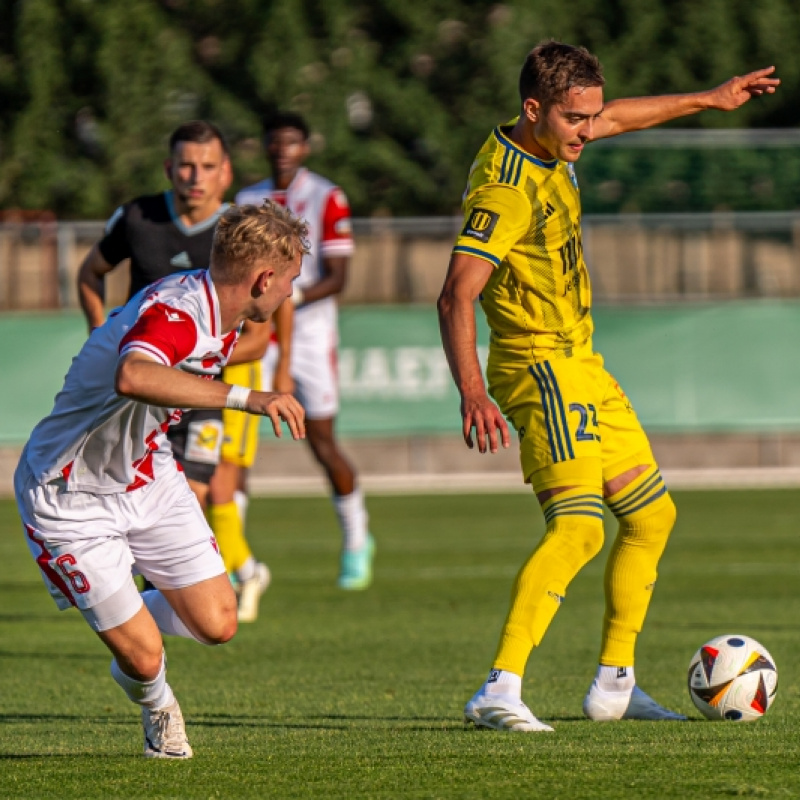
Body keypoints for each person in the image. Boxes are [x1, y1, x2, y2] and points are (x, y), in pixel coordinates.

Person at [437, 40, 779, 732]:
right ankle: (498, 690)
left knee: (653, 516)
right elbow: (455, 296)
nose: (589, 131)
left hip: (582, 362)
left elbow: (619, 117)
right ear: (534, 109)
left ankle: (615, 686)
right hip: (539, 367)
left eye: (591, 115)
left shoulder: (555, 141)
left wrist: (710, 98)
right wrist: (472, 392)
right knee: (579, 528)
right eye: (575, 119)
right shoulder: (506, 189)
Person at [15, 202, 308, 758]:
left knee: (220, 621)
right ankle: (158, 704)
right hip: (67, 495)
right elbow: (132, 374)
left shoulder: (222, 308)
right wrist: (250, 398)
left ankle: (123, 620)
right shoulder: (179, 312)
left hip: (147, 477)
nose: (289, 293)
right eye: (289, 281)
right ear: (264, 279)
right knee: (146, 659)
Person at [236, 111, 374, 590]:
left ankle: (357, 540)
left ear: (305, 148)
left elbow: (338, 278)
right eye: (275, 142)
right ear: (266, 146)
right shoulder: (246, 200)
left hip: (312, 337)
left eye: (292, 143)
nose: (282, 151)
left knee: (321, 442)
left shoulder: (326, 196)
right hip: (254, 335)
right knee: (236, 450)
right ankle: (234, 558)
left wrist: (287, 296)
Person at [77, 120, 232, 512]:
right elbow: (89, 273)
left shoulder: (238, 232)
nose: (196, 177)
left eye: (208, 166)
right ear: (168, 169)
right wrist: (102, 336)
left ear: (225, 171)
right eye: (186, 165)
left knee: (191, 500)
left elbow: (264, 331)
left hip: (201, 393)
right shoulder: (137, 217)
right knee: (124, 501)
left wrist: (195, 357)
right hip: (138, 391)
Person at [207, 303, 292, 621]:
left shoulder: (254, 264)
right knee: (198, 488)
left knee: (220, 485)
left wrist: (284, 362)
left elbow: (281, 307)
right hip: (205, 381)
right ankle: (246, 571)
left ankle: (240, 572)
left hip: (240, 377)